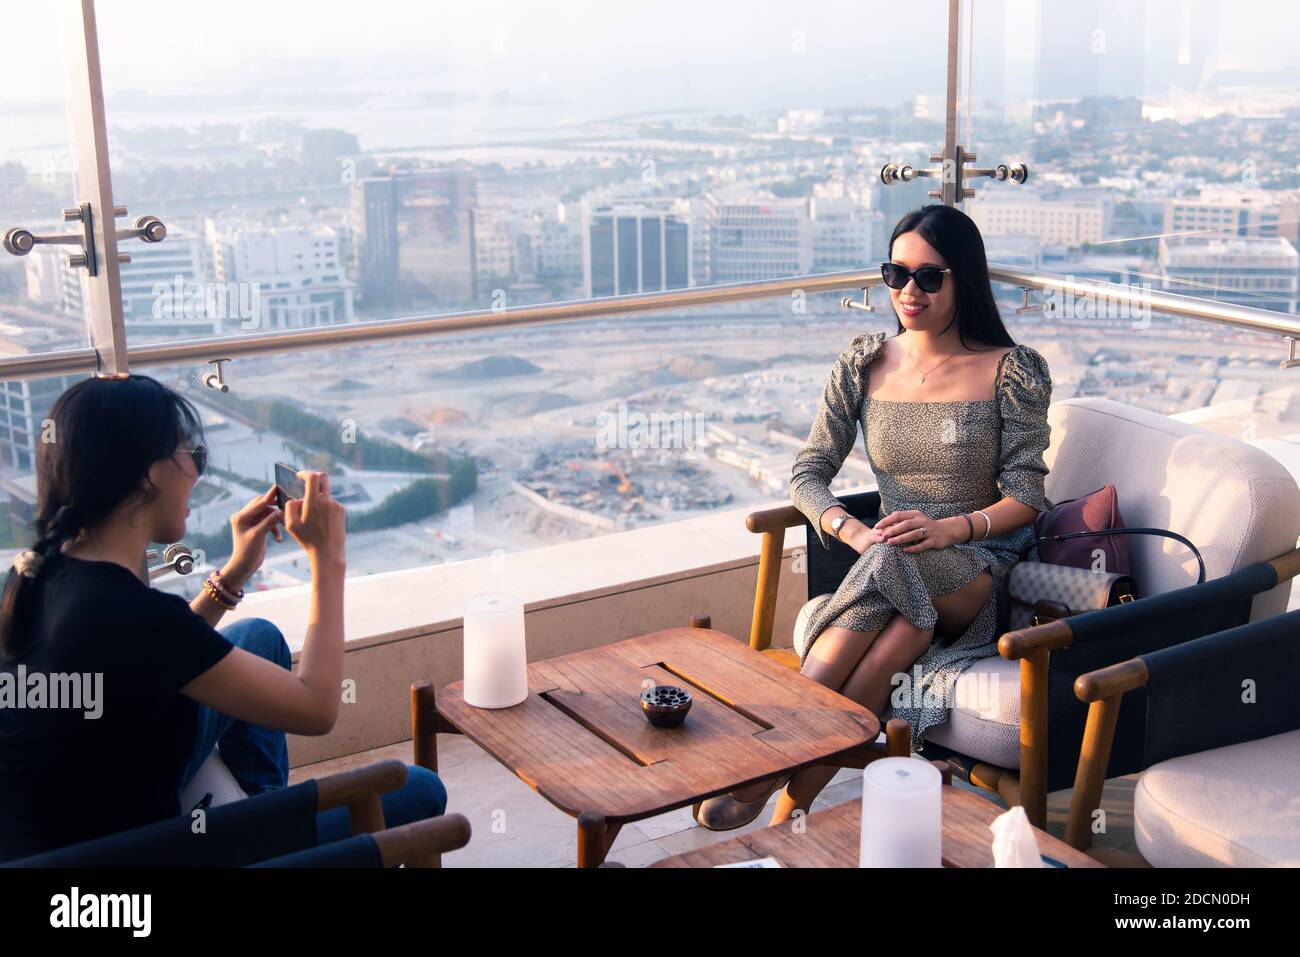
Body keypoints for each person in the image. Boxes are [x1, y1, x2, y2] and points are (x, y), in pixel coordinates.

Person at [696, 204, 1053, 830]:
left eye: (929, 277)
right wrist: (853, 532)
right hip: (891, 570)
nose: (908, 292)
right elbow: (808, 474)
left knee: (896, 566)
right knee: (902, 628)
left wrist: (952, 529)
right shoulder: (863, 362)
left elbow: (1027, 497)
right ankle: (788, 819)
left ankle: (764, 756)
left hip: (975, 570)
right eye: (896, 274)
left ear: (963, 280)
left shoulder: (1011, 369)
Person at [0, 374, 446, 862]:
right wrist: (328, 559)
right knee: (419, 790)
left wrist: (234, 573)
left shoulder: (40, 570)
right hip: (128, 851)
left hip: (62, 820)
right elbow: (317, 709)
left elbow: (152, 652)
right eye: (194, 457)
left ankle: (264, 818)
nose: (198, 474)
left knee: (258, 637)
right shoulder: (137, 614)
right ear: (149, 475)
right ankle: (261, 843)